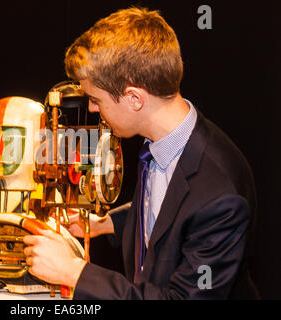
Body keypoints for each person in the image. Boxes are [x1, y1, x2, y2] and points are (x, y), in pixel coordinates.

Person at [23, 7, 259, 299]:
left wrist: (73, 271)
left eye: (96, 100)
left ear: (134, 98)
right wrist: (108, 224)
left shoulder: (221, 198)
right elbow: (168, 209)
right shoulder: (163, 139)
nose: (94, 109)